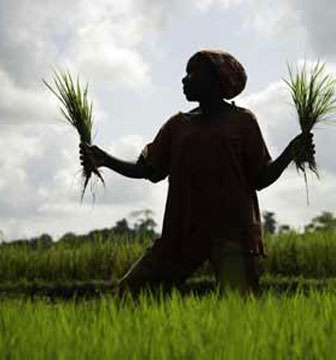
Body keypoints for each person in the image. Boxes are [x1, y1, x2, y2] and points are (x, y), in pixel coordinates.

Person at [80, 49, 314, 295]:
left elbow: (260, 177)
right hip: (182, 230)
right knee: (130, 294)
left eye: (193, 72)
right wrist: (104, 159)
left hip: (232, 233)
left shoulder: (243, 122)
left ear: (216, 79)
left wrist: (291, 151)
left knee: (241, 314)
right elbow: (147, 169)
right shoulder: (177, 126)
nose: (185, 79)